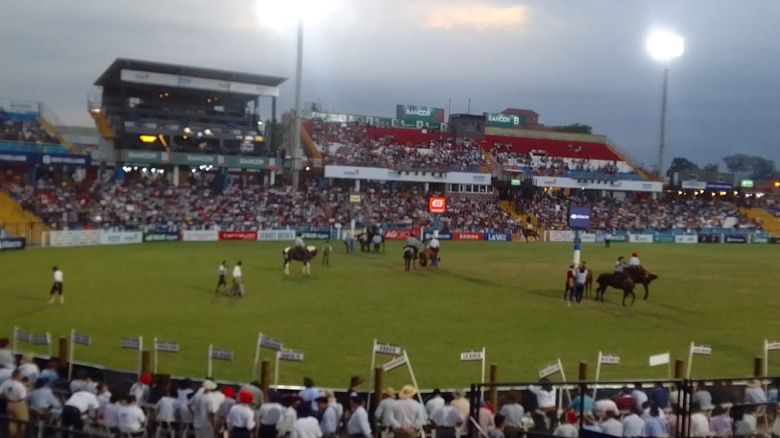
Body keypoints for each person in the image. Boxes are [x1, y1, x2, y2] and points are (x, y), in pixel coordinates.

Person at [0, 369, 29, 438]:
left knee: (12, 422)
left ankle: (11, 436)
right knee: (23, 421)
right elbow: (23, 397)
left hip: (8, 404)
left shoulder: (6, 382)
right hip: (18, 403)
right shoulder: (19, 385)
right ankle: (20, 436)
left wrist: (7, 399)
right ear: (17, 375)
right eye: (21, 375)